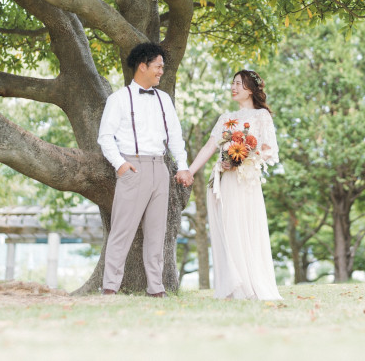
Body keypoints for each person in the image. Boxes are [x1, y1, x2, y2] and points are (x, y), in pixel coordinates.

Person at [97, 43, 193, 297]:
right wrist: (120, 165)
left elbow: (175, 137)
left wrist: (182, 166)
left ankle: (156, 288)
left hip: (160, 169)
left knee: (156, 233)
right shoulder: (117, 99)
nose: (162, 71)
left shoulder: (164, 99)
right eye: (158, 66)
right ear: (143, 66)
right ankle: (110, 287)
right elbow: (105, 137)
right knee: (121, 231)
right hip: (133, 168)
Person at [189, 70, 282, 300]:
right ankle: (233, 286)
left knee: (248, 228)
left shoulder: (262, 117)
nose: (233, 87)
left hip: (248, 182)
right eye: (232, 83)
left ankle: (251, 284)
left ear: (250, 89)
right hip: (227, 181)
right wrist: (189, 172)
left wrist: (245, 157)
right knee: (228, 229)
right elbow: (210, 147)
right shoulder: (225, 118)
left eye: (238, 84)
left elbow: (270, 151)